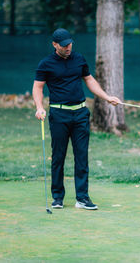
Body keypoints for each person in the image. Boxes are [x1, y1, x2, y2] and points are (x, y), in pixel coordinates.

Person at [32, 28, 121, 210]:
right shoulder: (46, 63)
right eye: (64, 45)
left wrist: (106, 97)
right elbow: (38, 87)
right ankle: (57, 198)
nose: (68, 47)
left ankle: (82, 198)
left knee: (82, 156)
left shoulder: (79, 59)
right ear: (55, 45)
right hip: (59, 114)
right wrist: (39, 107)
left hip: (80, 113)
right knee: (59, 156)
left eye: (69, 44)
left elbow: (89, 80)